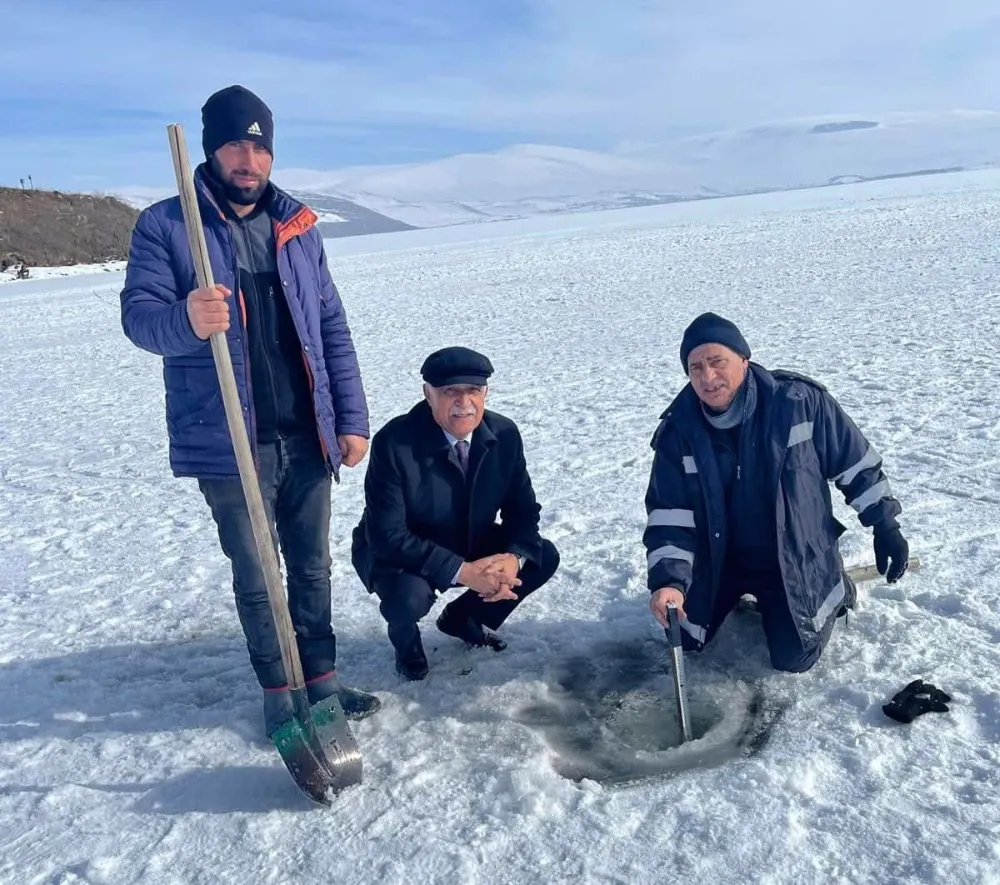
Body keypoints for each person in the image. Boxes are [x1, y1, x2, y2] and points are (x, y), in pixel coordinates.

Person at [120, 84, 380, 736]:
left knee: (312, 565)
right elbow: (139, 319)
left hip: (306, 430)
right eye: (237, 144)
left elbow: (330, 326)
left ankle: (320, 682)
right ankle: (279, 692)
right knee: (258, 572)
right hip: (230, 438)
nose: (249, 159)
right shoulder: (169, 225)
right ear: (212, 150)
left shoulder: (296, 226)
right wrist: (185, 317)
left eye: (260, 146)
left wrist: (350, 416)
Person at [643, 312, 910, 672]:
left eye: (717, 362)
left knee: (795, 658)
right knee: (686, 637)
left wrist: (885, 526)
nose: (708, 377)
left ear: (743, 359)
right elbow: (669, 516)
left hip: (793, 556)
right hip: (720, 559)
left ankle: (835, 584)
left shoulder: (798, 403)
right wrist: (670, 582)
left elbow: (855, 463)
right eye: (696, 367)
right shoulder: (678, 431)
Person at [351, 346, 560, 679]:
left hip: (467, 536)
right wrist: (463, 572)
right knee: (408, 599)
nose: (464, 402)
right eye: (451, 392)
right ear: (428, 395)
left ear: (486, 393)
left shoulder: (504, 436)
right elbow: (386, 535)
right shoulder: (395, 442)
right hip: (399, 552)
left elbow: (523, 510)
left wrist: (512, 557)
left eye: (474, 391)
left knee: (540, 556)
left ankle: (461, 618)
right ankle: (407, 646)